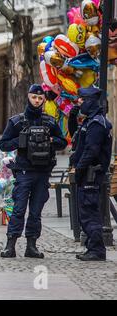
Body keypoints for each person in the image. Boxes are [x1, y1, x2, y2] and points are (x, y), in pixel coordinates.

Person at [0, 84, 67, 259]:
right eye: (33, 97)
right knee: (19, 209)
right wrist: (22, 139)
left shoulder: (50, 121)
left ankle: (31, 246)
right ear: (28, 97)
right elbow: (4, 144)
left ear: (44, 99)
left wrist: (51, 139)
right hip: (24, 171)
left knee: (36, 212)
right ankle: (10, 245)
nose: (37, 101)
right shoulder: (17, 121)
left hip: (42, 172)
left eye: (40, 98)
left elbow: (63, 142)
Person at [72, 87, 112, 262]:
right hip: (88, 173)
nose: (79, 103)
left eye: (81, 100)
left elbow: (91, 150)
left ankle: (96, 249)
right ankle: (92, 247)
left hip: (90, 174)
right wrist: (72, 116)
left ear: (89, 101)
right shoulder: (91, 120)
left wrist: (79, 168)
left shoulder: (96, 123)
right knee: (86, 212)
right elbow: (76, 137)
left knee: (89, 213)